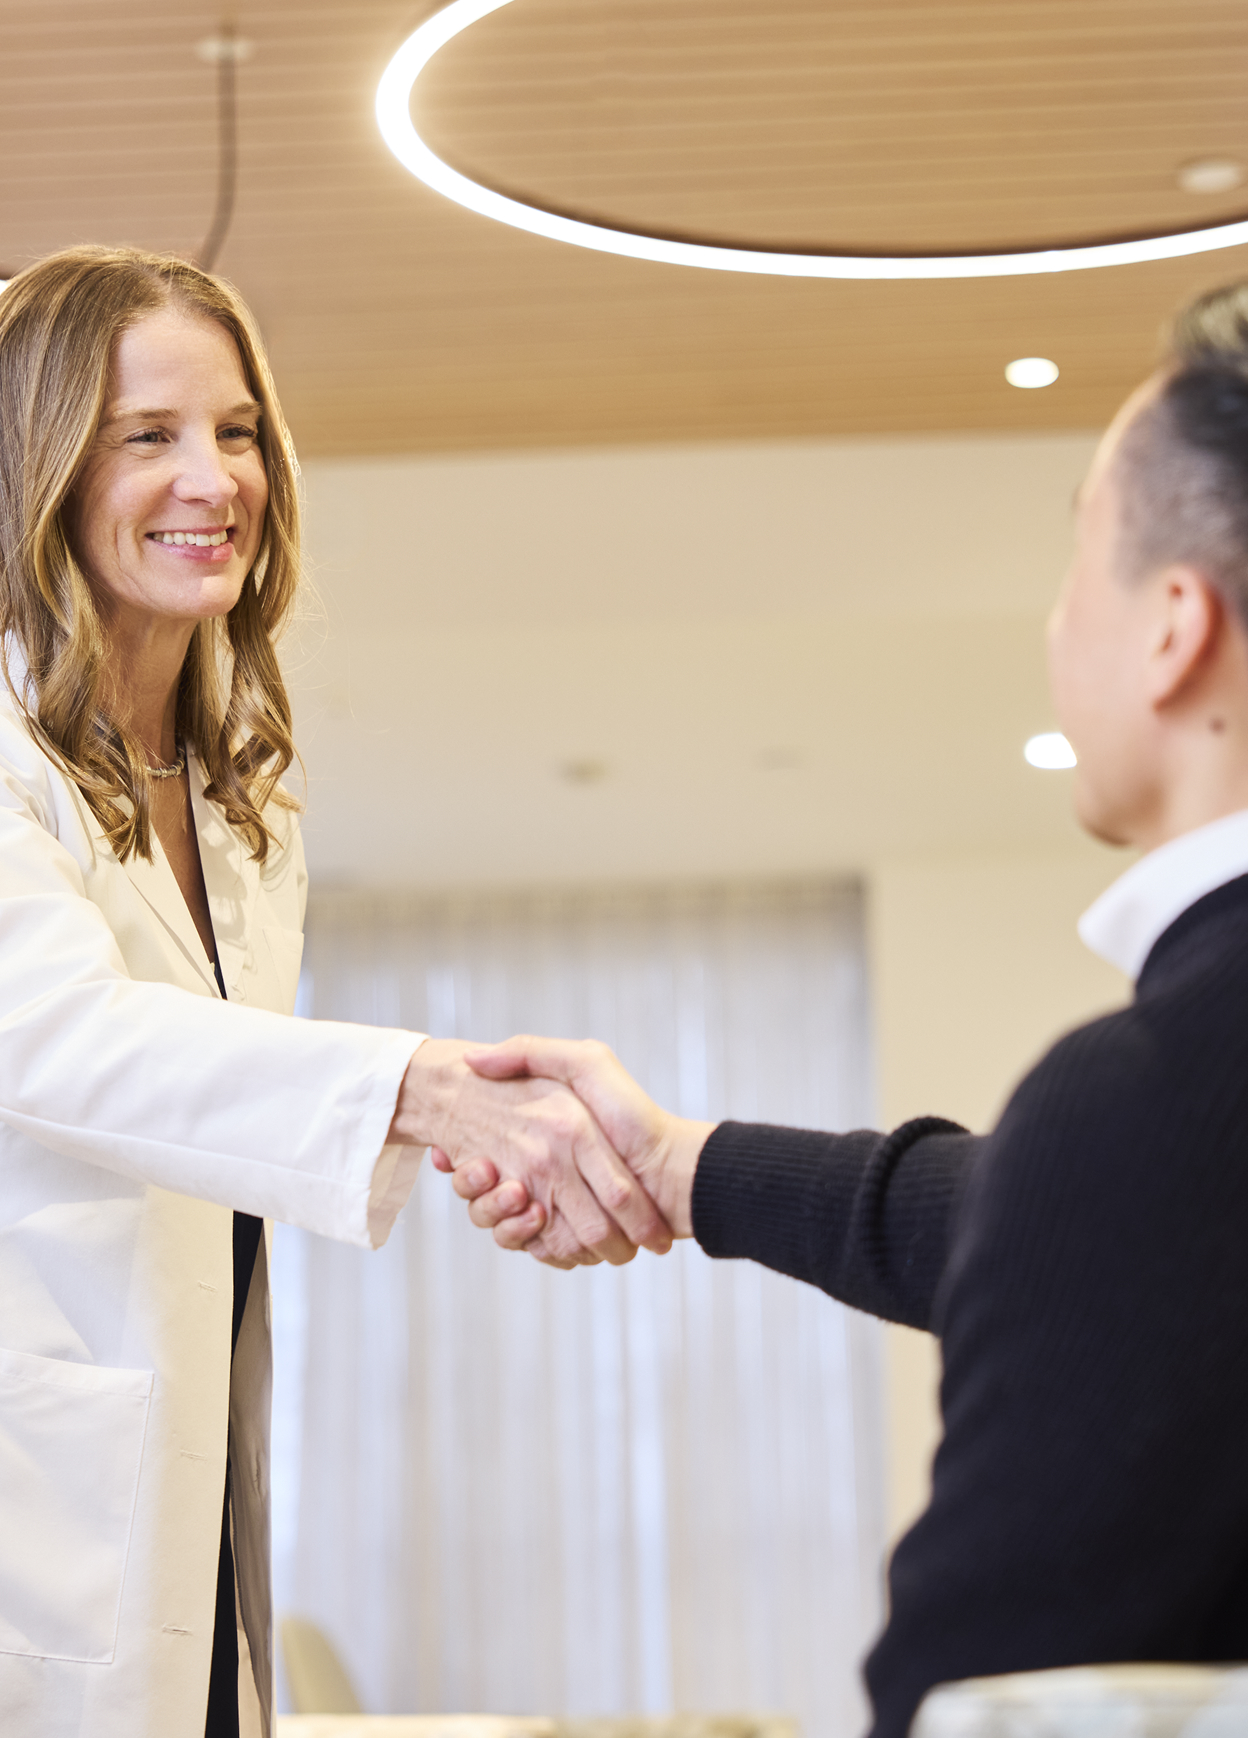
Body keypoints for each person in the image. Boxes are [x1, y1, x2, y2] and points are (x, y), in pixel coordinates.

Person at [444, 280, 1248, 1737]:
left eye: (1079, 564)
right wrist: (684, 1164)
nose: (1055, 623)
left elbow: (971, 1707)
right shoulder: (1156, 1134)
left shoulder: (1154, 1100)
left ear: (1173, 627)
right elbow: (1055, 1223)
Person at [0, 245, 670, 1738]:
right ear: (41, 463)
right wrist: (428, 1094)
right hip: (34, 1516)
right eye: (147, 436)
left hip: (197, 1500)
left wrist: (463, 1130)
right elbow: (62, 1044)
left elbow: (228, 1115)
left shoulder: (242, 803)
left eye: (237, 432)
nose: (212, 479)